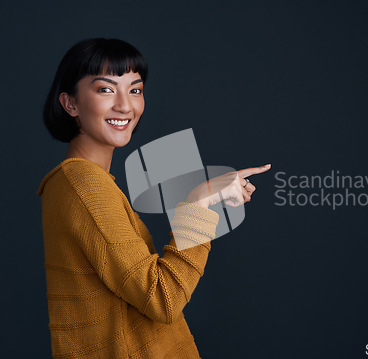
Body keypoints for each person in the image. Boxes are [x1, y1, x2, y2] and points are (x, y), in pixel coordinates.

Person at [36, 38, 271, 359]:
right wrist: (198, 202)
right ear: (70, 104)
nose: (125, 105)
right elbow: (163, 297)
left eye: (135, 89)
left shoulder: (80, 183)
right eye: (105, 90)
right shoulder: (83, 183)